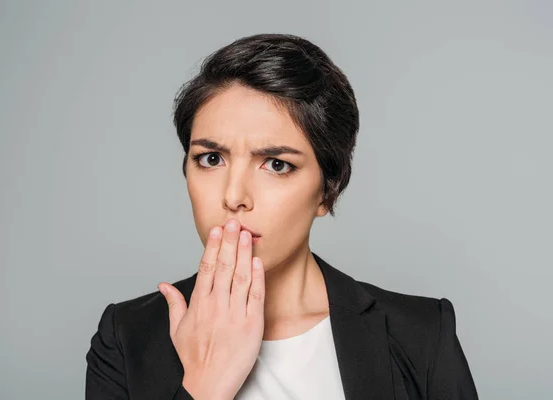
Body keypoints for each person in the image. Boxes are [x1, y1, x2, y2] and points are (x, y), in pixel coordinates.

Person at [85, 33, 479, 400]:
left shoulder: (423, 334)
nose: (234, 197)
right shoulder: (125, 337)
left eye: (276, 164)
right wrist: (204, 385)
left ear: (328, 190)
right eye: (211, 159)